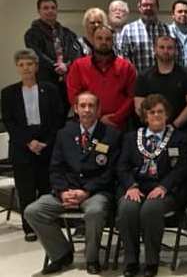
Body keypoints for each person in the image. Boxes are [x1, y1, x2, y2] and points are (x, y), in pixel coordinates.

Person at [24, 92, 119, 275]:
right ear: (76, 109)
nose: (87, 110)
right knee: (33, 211)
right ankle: (61, 254)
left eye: (91, 106)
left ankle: (92, 259)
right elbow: (56, 168)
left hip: (95, 192)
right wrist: (62, 192)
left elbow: (112, 172)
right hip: (66, 191)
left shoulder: (111, 135)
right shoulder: (64, 134)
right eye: (82, 106)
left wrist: (86, 192)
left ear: (99, 110)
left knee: (95, 211)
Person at [116, 95, 187, 277]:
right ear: (144, 115)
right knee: (127, 208)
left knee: (150, 209)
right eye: (151, 112)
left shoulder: (179, 138)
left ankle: (151, 261)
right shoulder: (131, 137)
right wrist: (131, 186)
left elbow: (182, 168)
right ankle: (131, 260)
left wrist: (164, 186)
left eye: (160, 112)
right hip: (137, 187)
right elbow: (122, 166)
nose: (156, 115)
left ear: (167, 115)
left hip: (166, 190)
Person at [1, 49, 65, 242]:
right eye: (21, 65)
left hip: (47, 146)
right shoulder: (8, 93)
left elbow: (58, 118)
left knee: (47, 188)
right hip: (23, 147)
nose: (26, 68)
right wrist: (29, 141)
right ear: (17, 68)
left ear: (36, 66)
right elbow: (10, 123)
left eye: (29, 64)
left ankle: (50, 225)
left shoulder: (50, 90)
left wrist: (44, 142)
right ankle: (29, 227)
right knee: (26, 189)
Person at [66, 26, 137, 130]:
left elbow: (132, 97)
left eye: (108, 39)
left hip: (118, 125)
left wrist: (115, 118)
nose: (104, 42)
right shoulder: (79, 65)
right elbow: (73, 96)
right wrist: (93, 117)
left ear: (113, 42)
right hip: (87, 124)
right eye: (99, 38)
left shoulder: (126, 67)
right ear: (92, 40)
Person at [24, 0, 82, 111]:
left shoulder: (67, 33)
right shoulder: (32, 34)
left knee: (64, 113)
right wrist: (56, 66)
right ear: (39, 11)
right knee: (48, 114)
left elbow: (76, 52)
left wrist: (67, 66)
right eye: (45, 8)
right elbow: (37, 54)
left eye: (53, 8)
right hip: (45, 80)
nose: (50, 11)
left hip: (67, 80)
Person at [134, 36, 187, 133]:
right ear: (155, 49)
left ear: (175, 51)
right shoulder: (143, 77)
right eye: (162, 47)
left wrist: (173, 126)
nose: (165, 51)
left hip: (180, 131)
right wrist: (155, 125)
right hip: (152, 130)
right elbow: (139, 107)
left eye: (169, 48)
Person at [119, 0, 181, 71]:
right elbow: (123, 59)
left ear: (157, 8)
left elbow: (178, 57)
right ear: (139, 7)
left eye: (152, 5)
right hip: (137, 81)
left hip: (164, 81)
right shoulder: (128, 30)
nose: (148, 8)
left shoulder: (168, 30)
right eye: (145, 5)